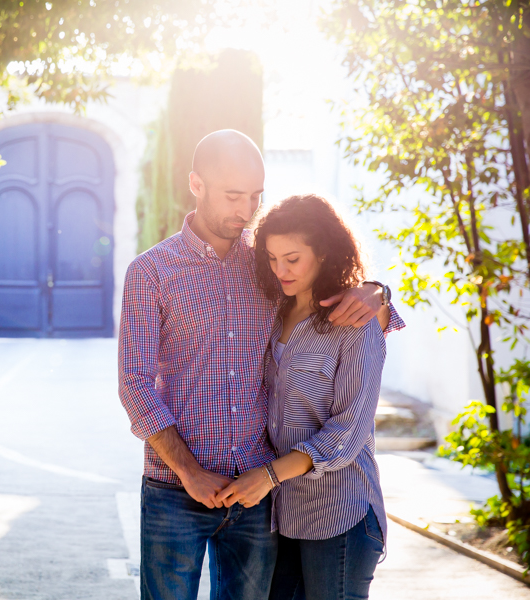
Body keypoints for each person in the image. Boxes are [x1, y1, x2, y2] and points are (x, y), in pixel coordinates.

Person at [118, 130, 398, 600]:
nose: (245, 211)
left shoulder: (268, 262)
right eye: (233, 196)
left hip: (257, 496)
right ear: (196, 184)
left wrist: (379, 293)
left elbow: (332, 296)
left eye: (255, 197)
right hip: (173, 489)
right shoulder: (151, 272)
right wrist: (190, 472)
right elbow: (135, 385)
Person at [216, 194, 403, 600]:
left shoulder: (355, 320)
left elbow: (347, 434)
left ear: (323, 252)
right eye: (271, 258)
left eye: (292, 259)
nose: (280, 270)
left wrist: (266, 476)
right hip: (281, 516)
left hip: (340, 514)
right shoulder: (270, 312)